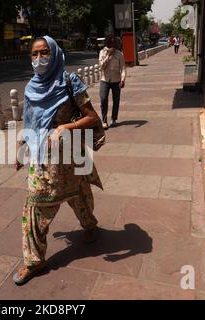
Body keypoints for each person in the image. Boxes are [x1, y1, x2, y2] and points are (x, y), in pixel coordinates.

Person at [13, 35, 104, 286]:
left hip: (71, 155)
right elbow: (30, 121)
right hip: (43, 160)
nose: (40, 59)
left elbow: (93, 118)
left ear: (55, 54)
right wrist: (22, 148)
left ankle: (90, 226)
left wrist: (67, 126)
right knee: (35, 205)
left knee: (78, 193)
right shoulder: (31, 86)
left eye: (45, 53)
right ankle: (34, 261)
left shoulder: (69, 80)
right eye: (34, 54)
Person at [98, 35, 126, 129]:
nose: (112, 45)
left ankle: (114, 119)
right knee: (103, 99)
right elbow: (101, 66)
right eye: (111, 43)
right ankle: (104, 120)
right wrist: (108, 55)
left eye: (114, 43)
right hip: (104, 80)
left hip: (116, 80)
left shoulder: (119, 54)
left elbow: (123, 68)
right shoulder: (102, 52)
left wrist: (122, 80)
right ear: (107, 43)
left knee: (116, 100)